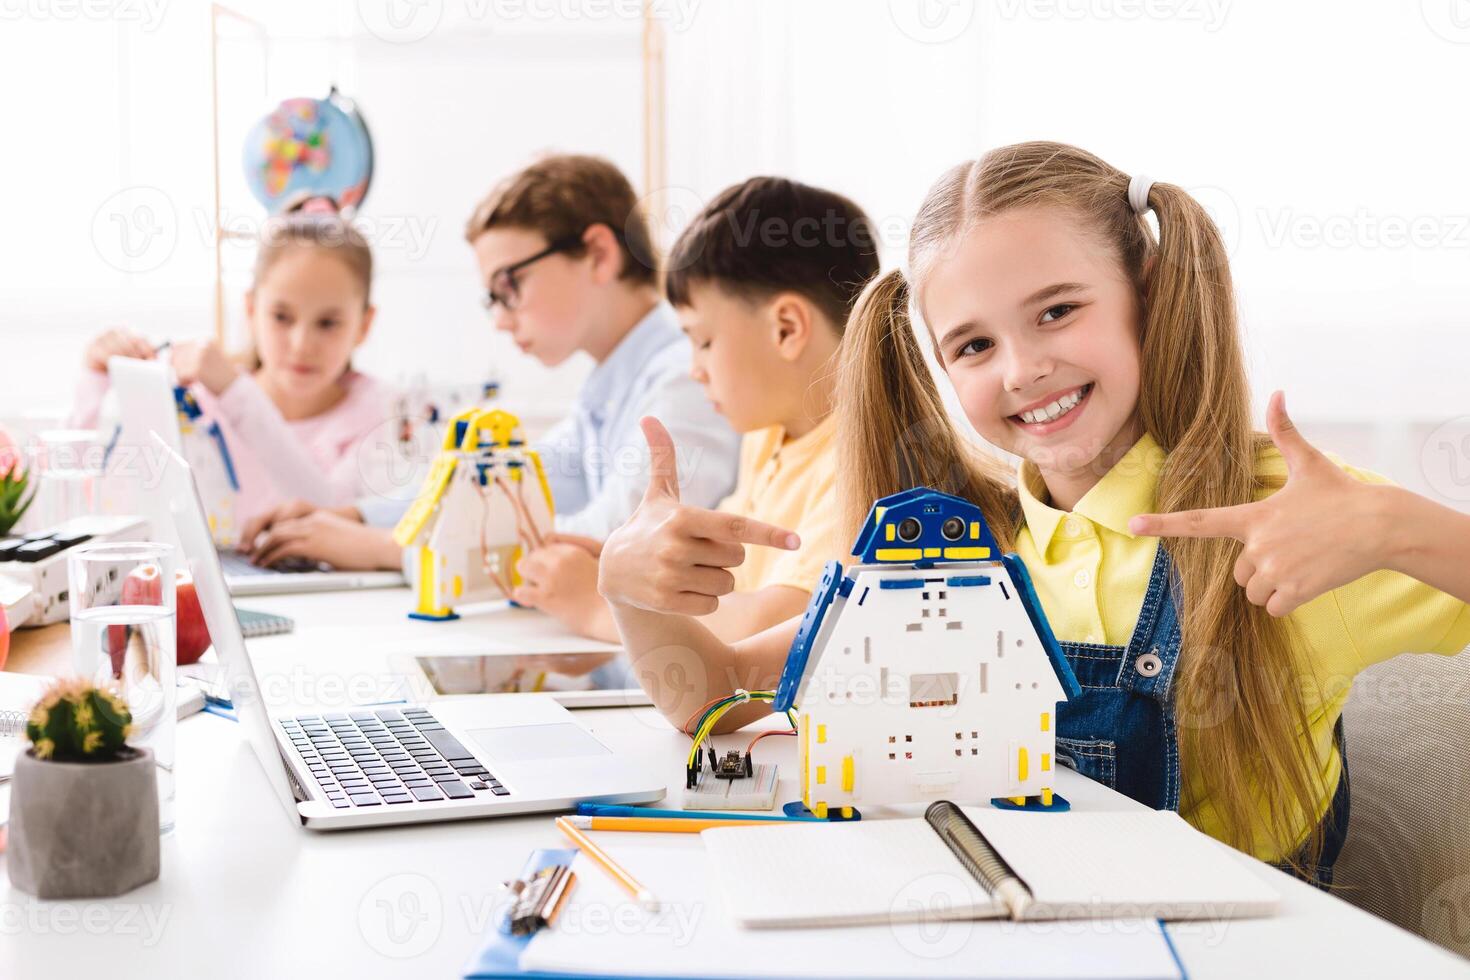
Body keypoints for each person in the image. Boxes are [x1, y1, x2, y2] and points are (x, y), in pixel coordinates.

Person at [596, 142, 1470, 889]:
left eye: (1057, 311)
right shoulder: (958, 546)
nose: (1021, 368)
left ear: (1148, 288)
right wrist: (627, 587)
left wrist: (1394, 526)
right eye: (974, 345)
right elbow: (712, 699)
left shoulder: (1283, 512)